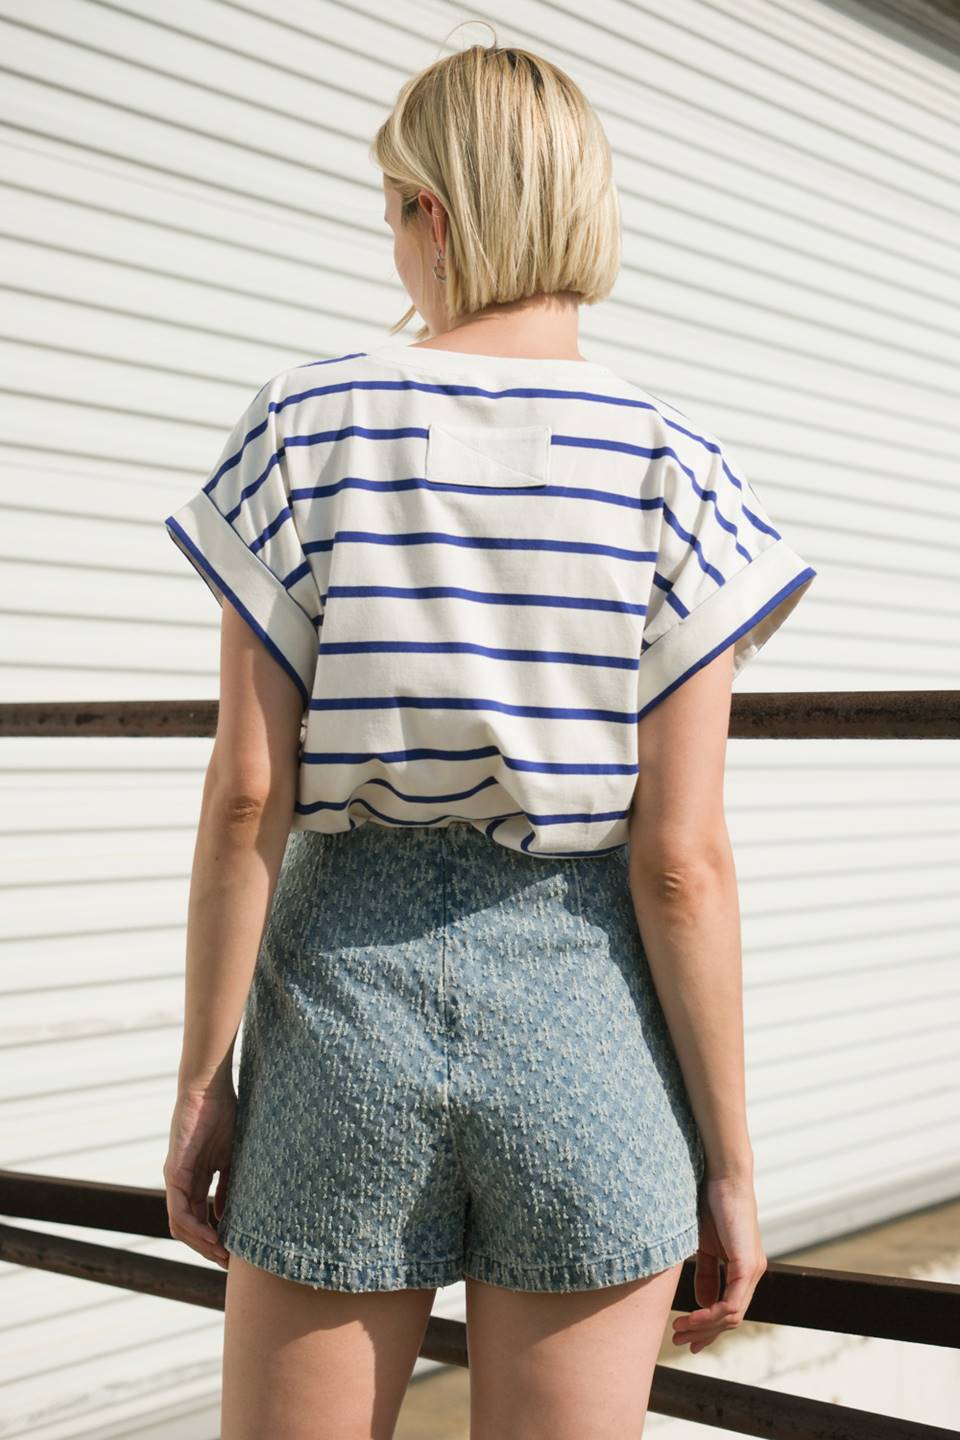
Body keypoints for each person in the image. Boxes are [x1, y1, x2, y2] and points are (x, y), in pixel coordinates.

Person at [161, 30, 816, 1440]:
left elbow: (248, 798)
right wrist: (729, 1161)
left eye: (393, 209)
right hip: (588, 1019)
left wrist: (205, 1083)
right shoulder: (675, 465)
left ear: (433, 215)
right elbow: (683, 859)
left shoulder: (304, 425)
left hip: (340, 1015)